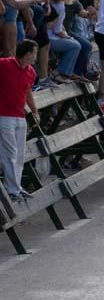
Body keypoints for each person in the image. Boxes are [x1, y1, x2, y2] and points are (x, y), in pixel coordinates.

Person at [0, 40, 38, 200]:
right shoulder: (4, 64)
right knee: (10, 153)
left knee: (20, 154)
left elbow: (28, 92)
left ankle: (16, 187)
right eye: (35, 53)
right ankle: (13, 190)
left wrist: (35, 111)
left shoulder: (31, 71)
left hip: (20, 117)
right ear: (28, 53)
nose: (36, 57)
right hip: (4, 116)